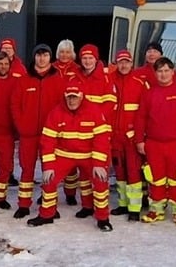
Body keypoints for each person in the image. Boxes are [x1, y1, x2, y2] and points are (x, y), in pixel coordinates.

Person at [27, 84, 113, 232]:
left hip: (89, 155)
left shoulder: (94, 111)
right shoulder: (56, 113)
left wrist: (99, 164)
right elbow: (47, 140)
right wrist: (49, 167)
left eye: (74, 97)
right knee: (49, 181)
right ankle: (47, 214)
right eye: (69, 97)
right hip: (64, 154)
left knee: (100, 182)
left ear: (81, 97)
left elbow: (102, 139)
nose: (71, 101)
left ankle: (102, 218)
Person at [134, 57, 176, 228]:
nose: (163, 74)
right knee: (155, 179)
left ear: (172, 72)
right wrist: (139, 141)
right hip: (154, 144)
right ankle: (156, 211)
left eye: (166, 71)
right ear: (155, 73)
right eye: (160, 71)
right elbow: (140, 118)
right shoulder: (149, 93)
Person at [10, 43, 67, 219]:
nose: (42, 59)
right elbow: (15, 105)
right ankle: (23, 205)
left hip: (50, 136)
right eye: (39, 55)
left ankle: (49, 204)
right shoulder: (24, 80)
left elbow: (64, 106)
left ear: (50, 58)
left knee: (49, 171)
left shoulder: (58, 80)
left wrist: (58, 129)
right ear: (34, 57)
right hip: (28, 135)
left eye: (45, 55)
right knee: (26, 170)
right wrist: (21, 126)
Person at [65, 43, 117, 217]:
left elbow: (110, 105)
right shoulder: (74, 78)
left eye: (90, 58)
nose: (87, 61)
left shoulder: (106, 78)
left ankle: (102, 212)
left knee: (100, 173)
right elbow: (69, 104)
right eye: (84, 58)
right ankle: (87, 206)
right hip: (81, 133)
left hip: (99, 132)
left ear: (96, 59)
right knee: (85, 174)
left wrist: (91, 121)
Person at [108, 49, 148, 222]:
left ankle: (134, 208)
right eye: (121, 62)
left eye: (127, 62)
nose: (124, 65)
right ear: (116, 64)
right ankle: (123, 204)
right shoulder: (109, 80)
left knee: (133, 173)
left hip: (131, 137)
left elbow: (145, 113)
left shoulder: (140, 83)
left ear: (132, 63)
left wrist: (140, 136)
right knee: (119, 173)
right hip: (114, 137)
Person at [0, 52, 19, 210]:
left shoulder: (16, 82)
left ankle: (0, 197)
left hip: (7, 132)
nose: (3, 67)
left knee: (5, 167)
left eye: (6, 64)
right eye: (0, 64)